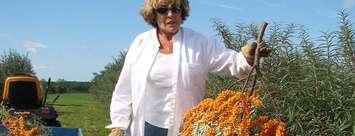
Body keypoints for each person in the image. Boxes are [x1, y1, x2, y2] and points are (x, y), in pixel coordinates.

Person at [106, 0, 270, 136]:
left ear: (182, 11)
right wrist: (118, 125)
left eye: (175, 8)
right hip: (147, 126)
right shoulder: (140, 43)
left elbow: (233, 63)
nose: (170, 14)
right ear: (153, 14)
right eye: (163, 9)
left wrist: (248, 56)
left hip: (187, 126)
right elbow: (124, 89)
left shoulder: (199, 43)